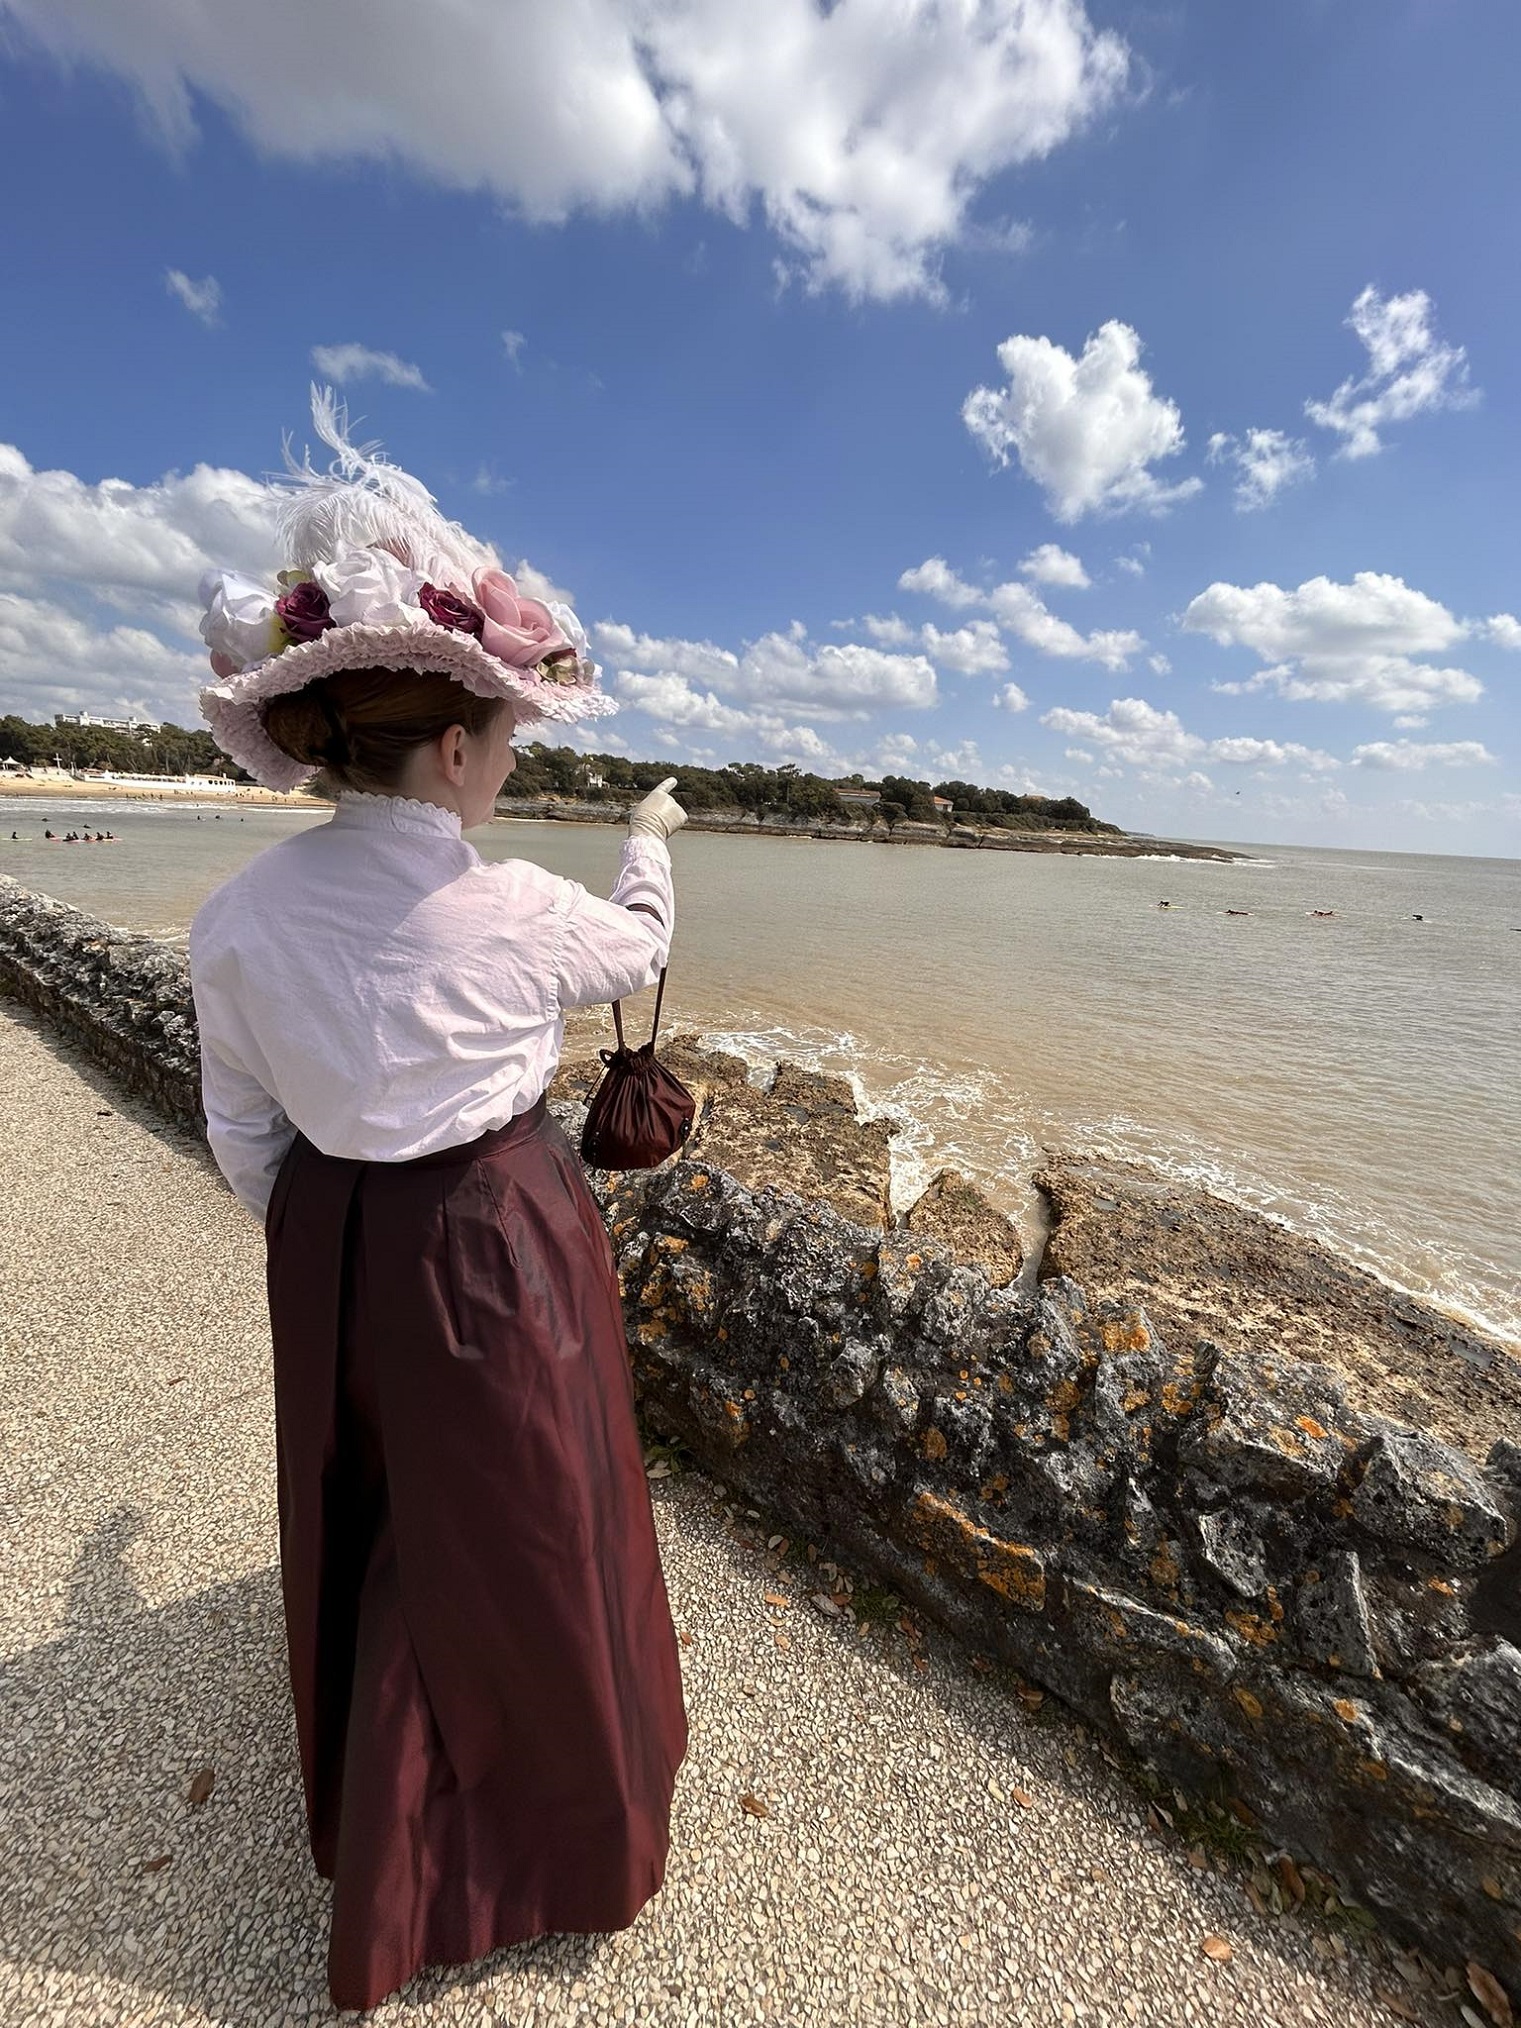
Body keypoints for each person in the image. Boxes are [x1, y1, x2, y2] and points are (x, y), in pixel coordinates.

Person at [187, 389, 688, 2010]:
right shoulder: (520, 906)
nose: (500, 769)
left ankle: (378, 1811)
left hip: (332, 1233)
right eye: (502, 746)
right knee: (527, 1524)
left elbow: (241, 1128)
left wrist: (326, 1231)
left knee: (378, 1509)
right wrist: (648, 835)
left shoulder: (235, 918)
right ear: (459, 745)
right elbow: (642, 948)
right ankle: (548, 1841)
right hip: (495, 1237)